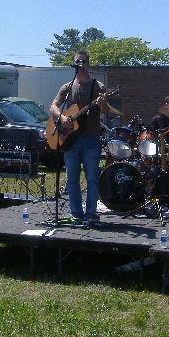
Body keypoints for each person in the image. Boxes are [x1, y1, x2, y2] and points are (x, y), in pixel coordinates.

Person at [49, 50, 109, 225]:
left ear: (88, 64)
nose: (81, 63)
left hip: (91, 139)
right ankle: (76, 213)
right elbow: (54, 105)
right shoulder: (67, 87)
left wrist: (103, 102)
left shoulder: (98, 86)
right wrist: (61, 118)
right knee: (71, 178)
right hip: (70, 139)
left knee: (91, 178)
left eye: (84, 61)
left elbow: (105, 110)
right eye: (78, 61)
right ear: (74, 63)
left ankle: (90, 214)